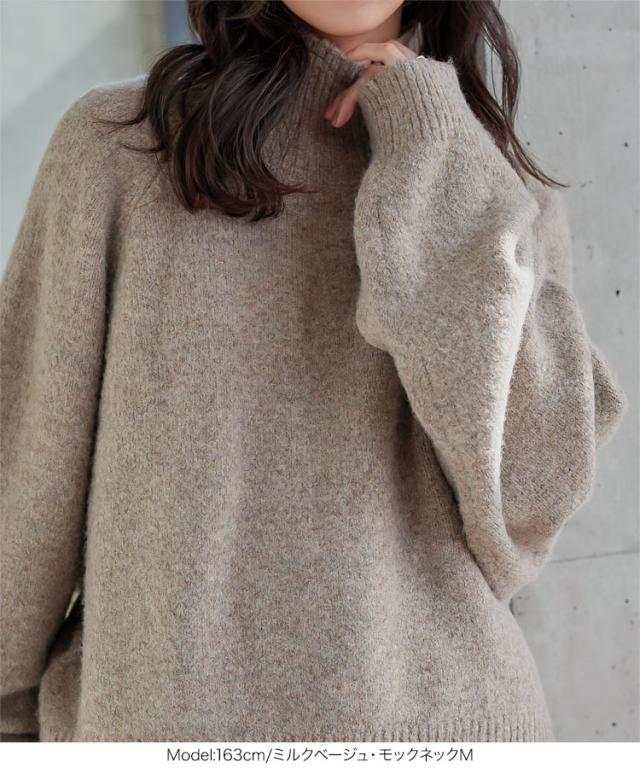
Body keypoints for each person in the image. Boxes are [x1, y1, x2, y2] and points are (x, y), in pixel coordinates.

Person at [0, 0, 627, 744]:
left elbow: (528, 501)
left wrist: (429, 147)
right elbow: (26, 469)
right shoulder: (120, 147)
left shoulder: (492, 182)